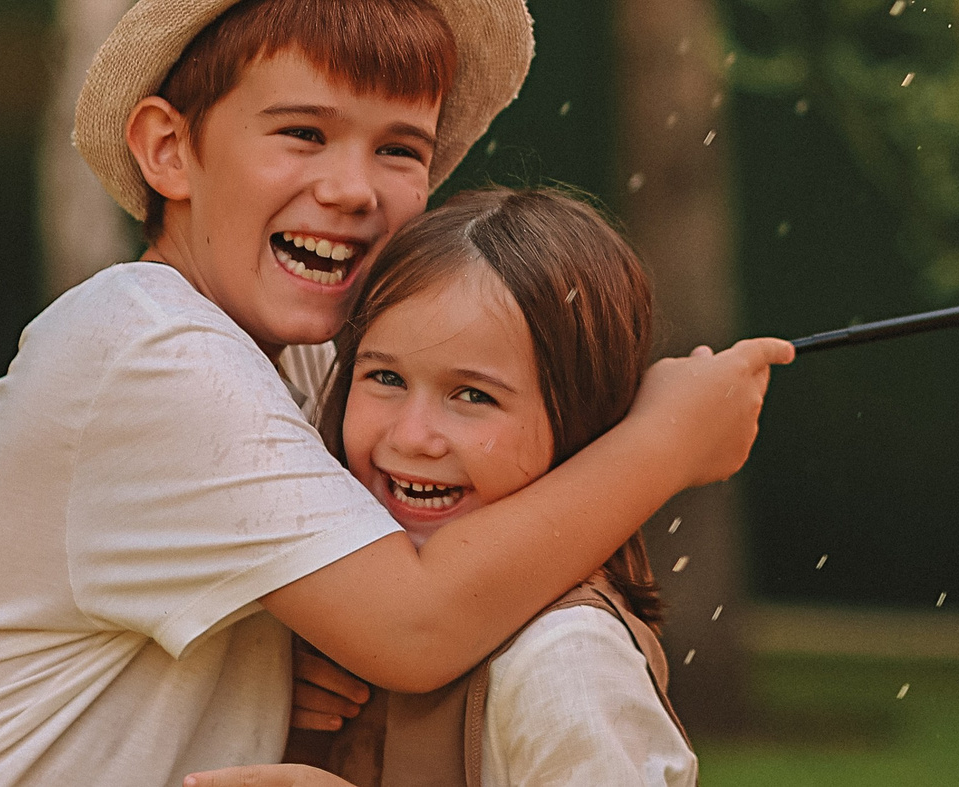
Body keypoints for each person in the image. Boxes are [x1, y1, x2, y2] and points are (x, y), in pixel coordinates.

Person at [0, 0, 791, 787]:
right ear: (169, 149)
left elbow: (424, 577)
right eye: (302, 133)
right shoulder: (150, 351)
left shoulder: (319, 358)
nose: (353, 188)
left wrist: (290, 665)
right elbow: (415, 620)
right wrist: (663, 444)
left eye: (399, 147)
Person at [191, 186, 698, 787]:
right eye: (384, 376)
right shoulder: (336, 624)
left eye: (473, 395)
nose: (412, 436)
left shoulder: (566, 658)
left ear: (582, 420)